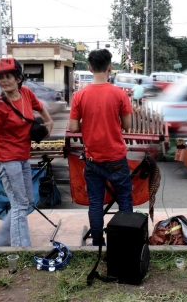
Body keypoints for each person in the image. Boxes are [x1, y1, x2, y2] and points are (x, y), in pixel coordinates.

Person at [0, 57, 53, 247]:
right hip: (6, 159)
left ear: (19, 78)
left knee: (27, 202)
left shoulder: (26, 93)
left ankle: (1, 238)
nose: (4, 81)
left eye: (8, 76)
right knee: (19, 204)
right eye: (0, 77)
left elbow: (39, 107)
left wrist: (49, 121)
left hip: (22, 156)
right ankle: (21, 248)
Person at [69, 49, 133, 246]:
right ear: (110, 67)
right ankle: (124, 242)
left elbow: (72, 127)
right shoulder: (119, 94)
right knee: (124, 200)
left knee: (95, 202)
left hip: (93, 160)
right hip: (116, 158)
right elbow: (127, 125)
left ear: (89, 68)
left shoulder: (79, 95)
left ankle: (97, 242)